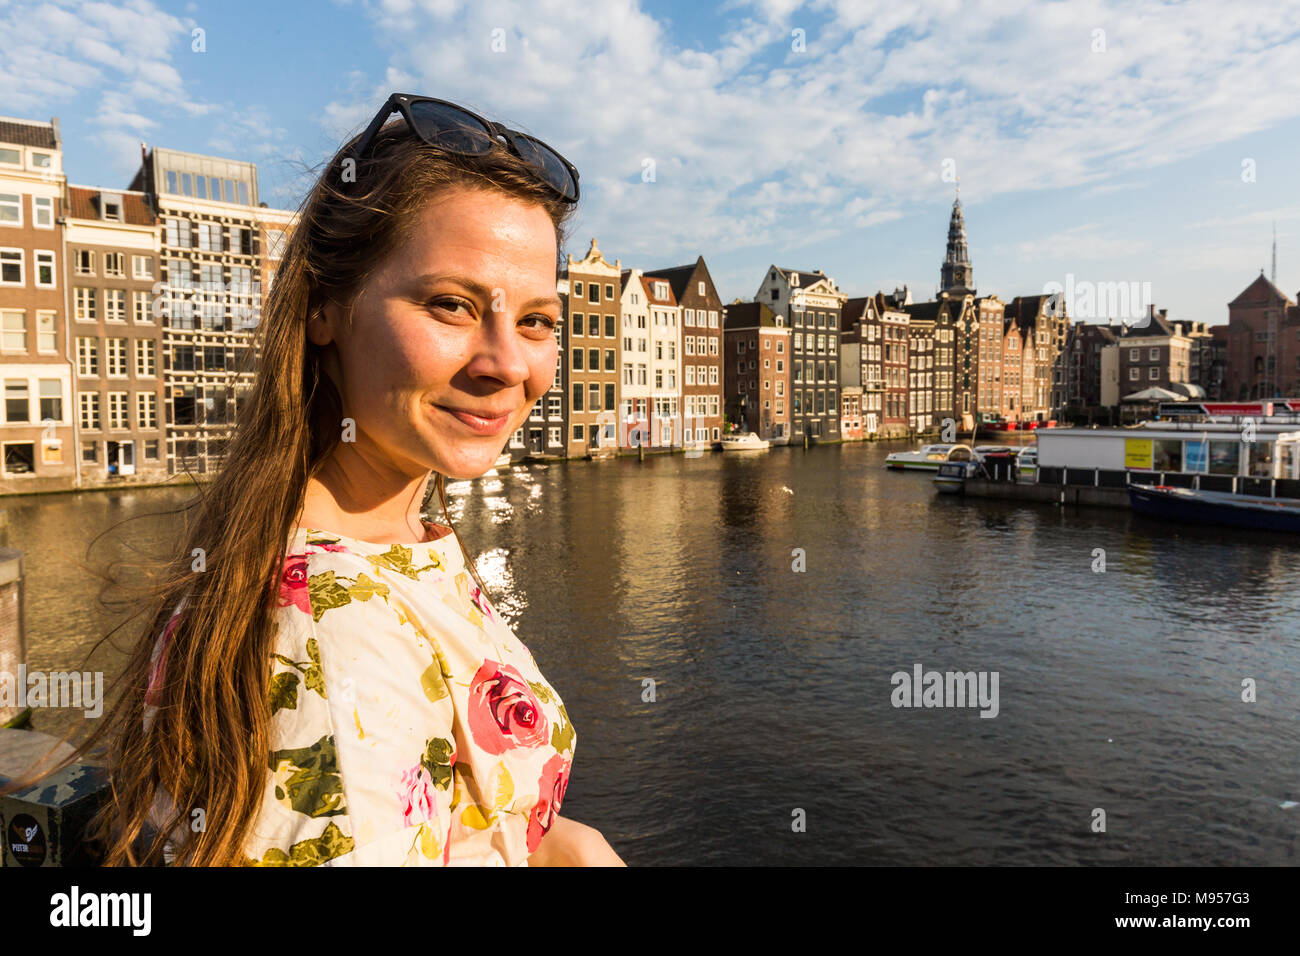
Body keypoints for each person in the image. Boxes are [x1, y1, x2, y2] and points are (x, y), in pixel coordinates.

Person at [3, 93, 624, 867]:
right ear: (327, 308)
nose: (507, 362)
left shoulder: (395, 541)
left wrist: (561, 843)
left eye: (537, 320)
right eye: (451, 305)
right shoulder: (325, 641)